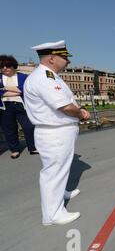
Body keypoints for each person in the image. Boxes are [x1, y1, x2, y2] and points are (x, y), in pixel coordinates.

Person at [24, 40, 90, 225]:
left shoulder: (51, 75)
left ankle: (60, 193)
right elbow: (66, 107)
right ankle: (53, 215)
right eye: (64, 58)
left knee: (60, 169)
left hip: (59, 131)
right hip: (54, 133)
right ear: (52, 58)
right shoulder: (44, 78)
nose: (68, 62)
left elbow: (67, 101)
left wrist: (79, 110)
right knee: (53, 172)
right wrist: (81, 113)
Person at [0, 55, 38, 159]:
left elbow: (25, 89)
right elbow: (2, 92)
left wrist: (5, 88)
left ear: (13, 66)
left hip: (22, 105)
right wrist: (17, 91)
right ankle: (14, 149)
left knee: (29, 126)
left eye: (7, 66)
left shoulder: (23, 77)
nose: (4, 68)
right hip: (5, 106)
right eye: (2, 66)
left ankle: (33, 147)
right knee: (9, 129)